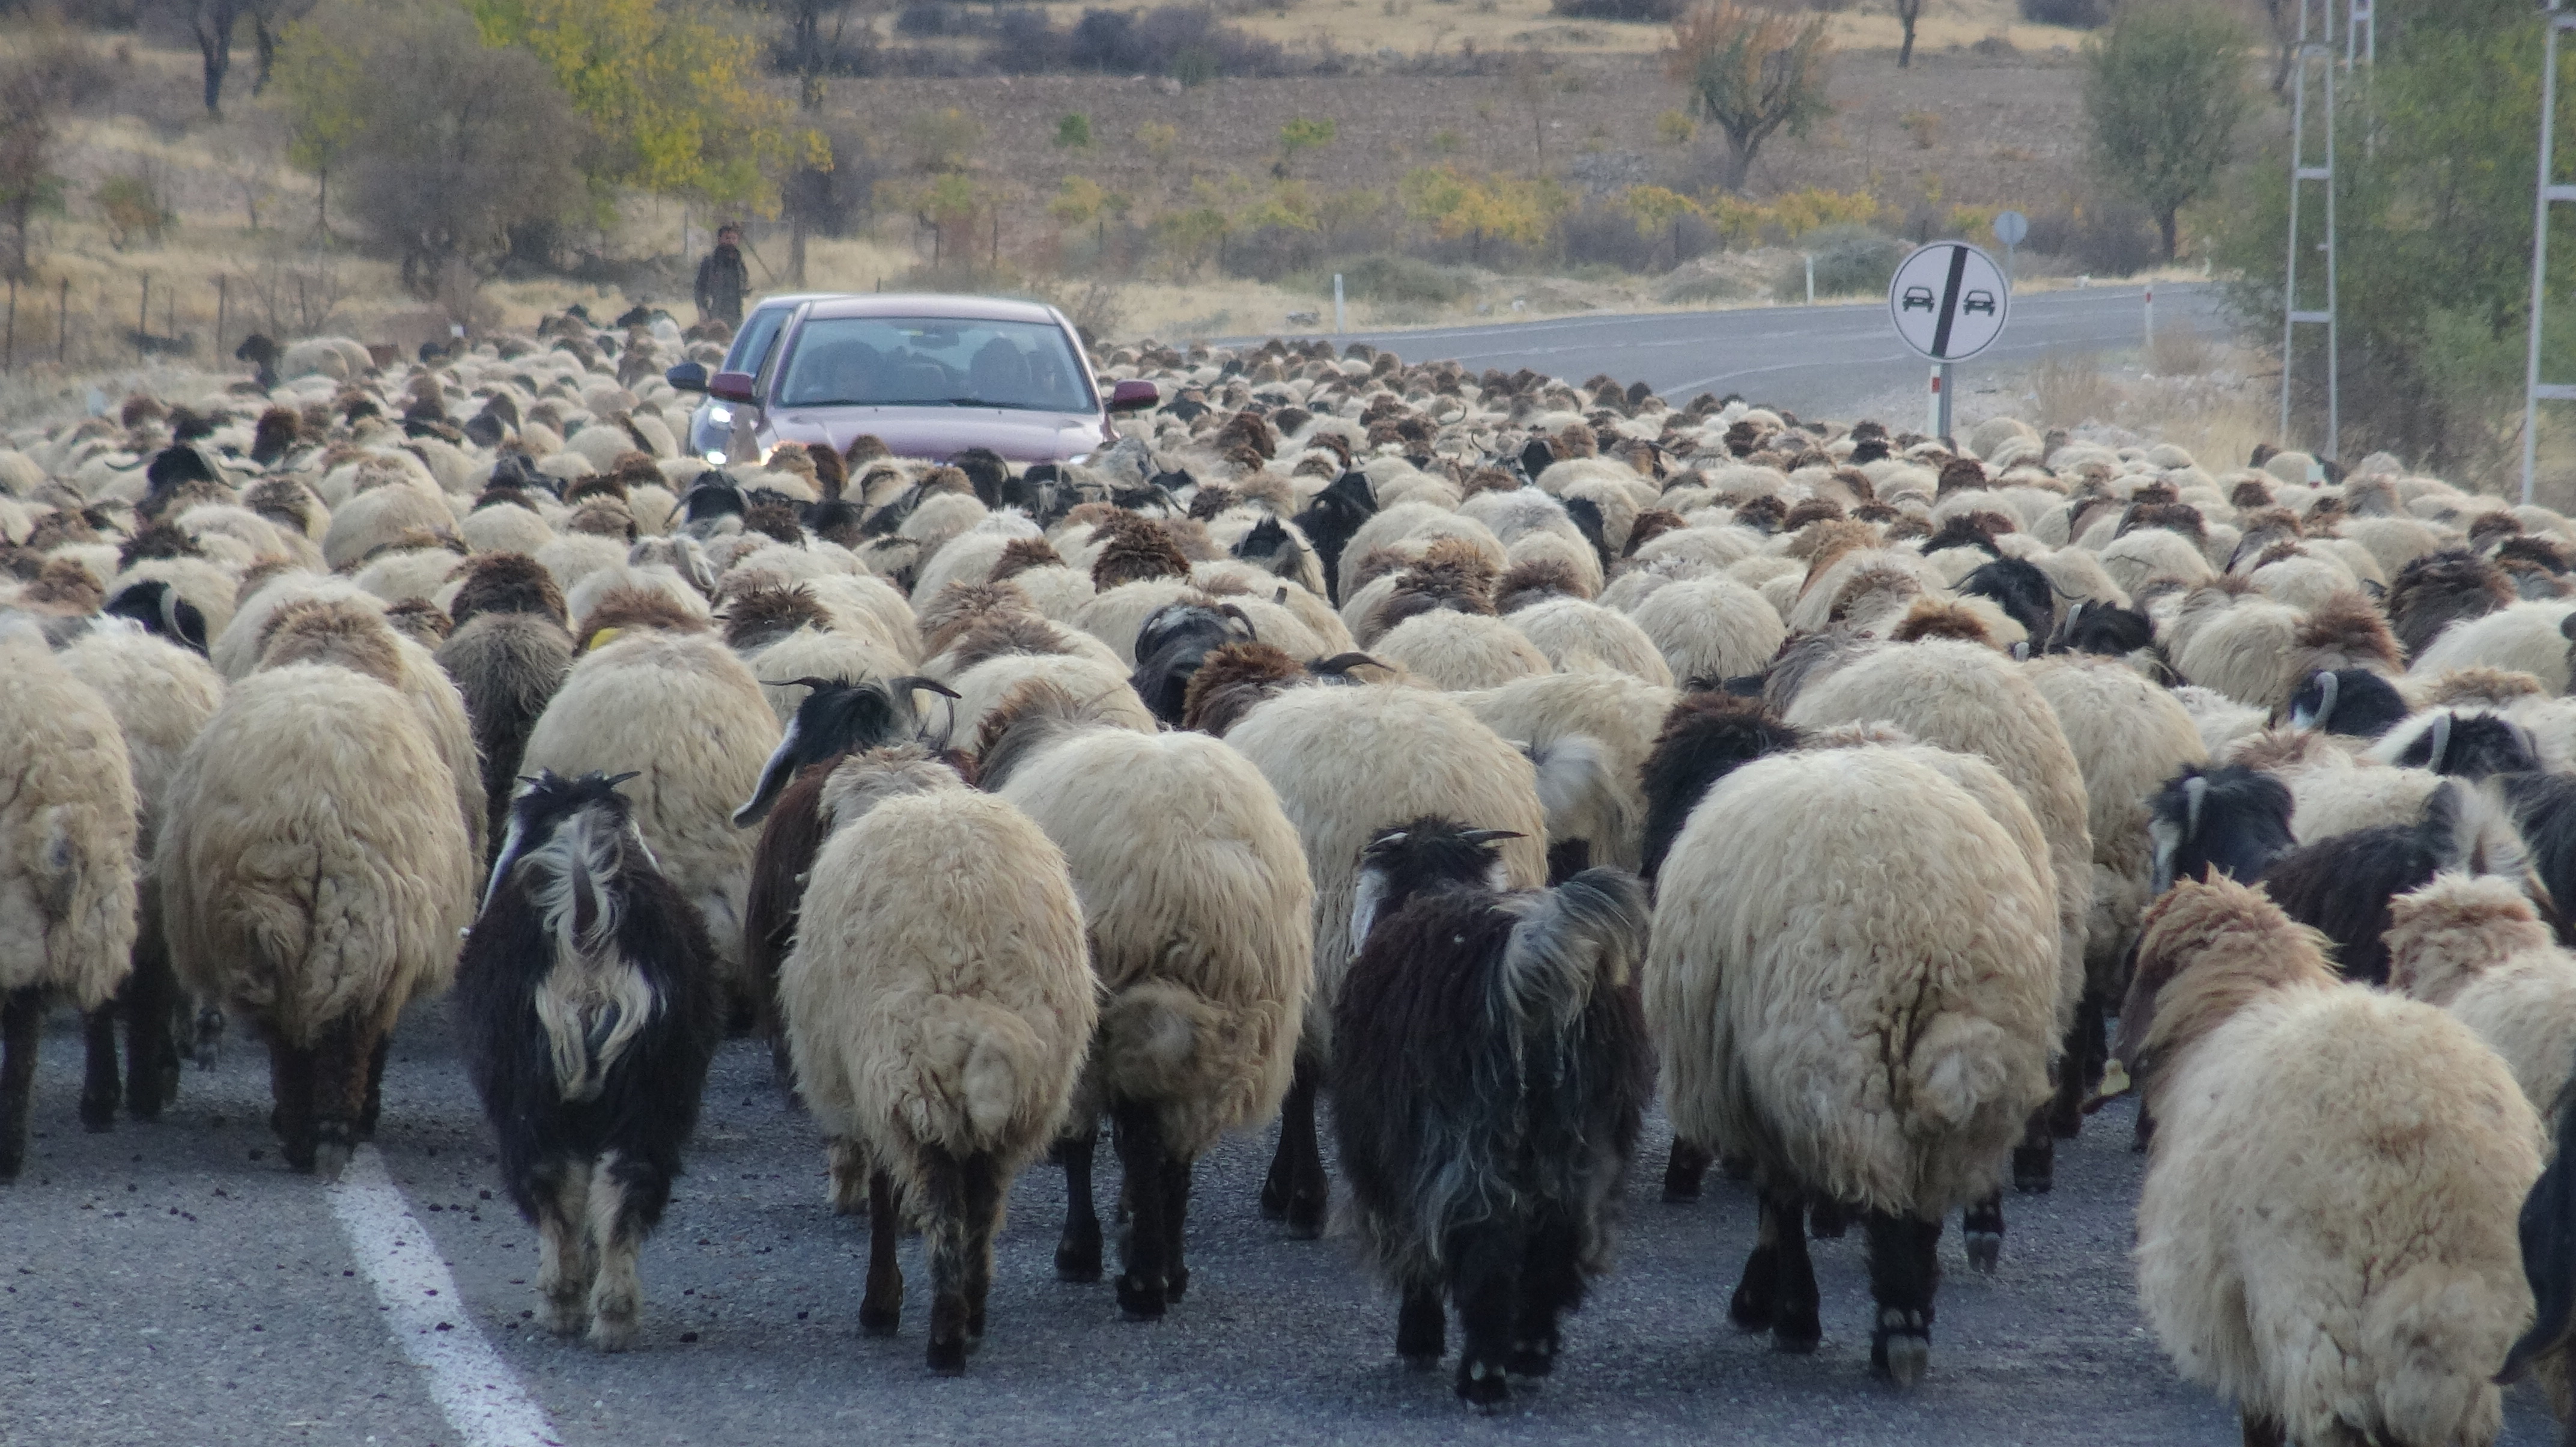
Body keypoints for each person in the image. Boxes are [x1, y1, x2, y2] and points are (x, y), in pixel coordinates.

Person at [694, 224, 750, 329]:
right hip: (715, 313)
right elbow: (699, 289)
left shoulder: (739, 263)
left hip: (736, 314)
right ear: (720, 240)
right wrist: (702, 309)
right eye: (727, 238)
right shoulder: (710, 263)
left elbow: (744, 284)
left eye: (734, 238)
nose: (731, 242)